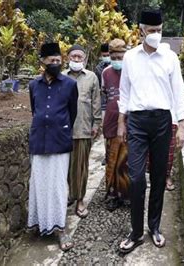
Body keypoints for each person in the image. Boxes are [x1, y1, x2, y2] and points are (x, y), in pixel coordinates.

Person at [117, 9, 184, 253]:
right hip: (137, 121)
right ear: (141, 31)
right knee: (137, 178)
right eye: (151, 31)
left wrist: (182, 126)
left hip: (162, 121)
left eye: (159, 31)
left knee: (159, 177)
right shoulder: (130, 58)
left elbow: (178, 92)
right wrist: (121, 121)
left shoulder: (170, 58)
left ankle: (154, 227)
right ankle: (136, 232)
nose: (156, 35)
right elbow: (124, 92)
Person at [27, 42, 78, 251]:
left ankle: (59, 228)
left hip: (59, 140)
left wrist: (61, 128)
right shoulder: (33, 86)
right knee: (39, 183)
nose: (56, 63)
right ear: (43, 62)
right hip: (39, 140)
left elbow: (72, 112)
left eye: (58, 60)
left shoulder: (69, 84)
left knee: (57, 186)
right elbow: (34, 109)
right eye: (52, 60)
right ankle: (40, 224)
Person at [65, 44, 102, 218]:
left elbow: (96, 102)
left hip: (83, 128)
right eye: (74, 56)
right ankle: (68, 195)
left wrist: (96, 124)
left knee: (81, 167)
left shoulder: (92, 77)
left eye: (80, 57)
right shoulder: (61, 77)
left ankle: (80, 200)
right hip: (62, 131)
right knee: (64, 168)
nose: (77, 59)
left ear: (85, 59)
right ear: (68, 58)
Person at [101, 38, 129, 211]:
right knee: (111, 159)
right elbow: (104, 99)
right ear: (110, 56)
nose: (118, 60)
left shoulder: (132, 71)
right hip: (111, 121)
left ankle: (126, 195)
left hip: (128, 121)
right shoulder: (105, 73)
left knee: (125, 161)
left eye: (121, 56)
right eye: (114, 56)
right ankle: (112, 195)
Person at [95, 43, 111, 166]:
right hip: (104, 103)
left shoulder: (120, 65)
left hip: (118, 102)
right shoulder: (99, 69)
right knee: (106, 131)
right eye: (104, 55)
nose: (107, 57)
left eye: (108, 55)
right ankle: (108, 155)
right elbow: (98, 88)